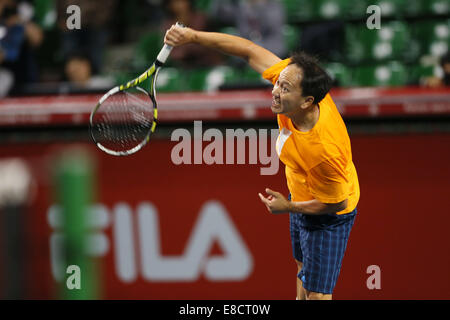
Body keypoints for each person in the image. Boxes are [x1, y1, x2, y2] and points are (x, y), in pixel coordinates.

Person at [164, 24, 360, 300]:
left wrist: (289, 207)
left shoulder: (324, 151)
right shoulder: (296, 83)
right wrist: (193, 36)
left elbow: (336, 203)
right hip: (302, 192)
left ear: (307, 101)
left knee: (318, 295)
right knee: (303, 269)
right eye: (278, 82)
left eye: (285, 87)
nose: (275, 90)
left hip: (329, 214)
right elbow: (247, 50)